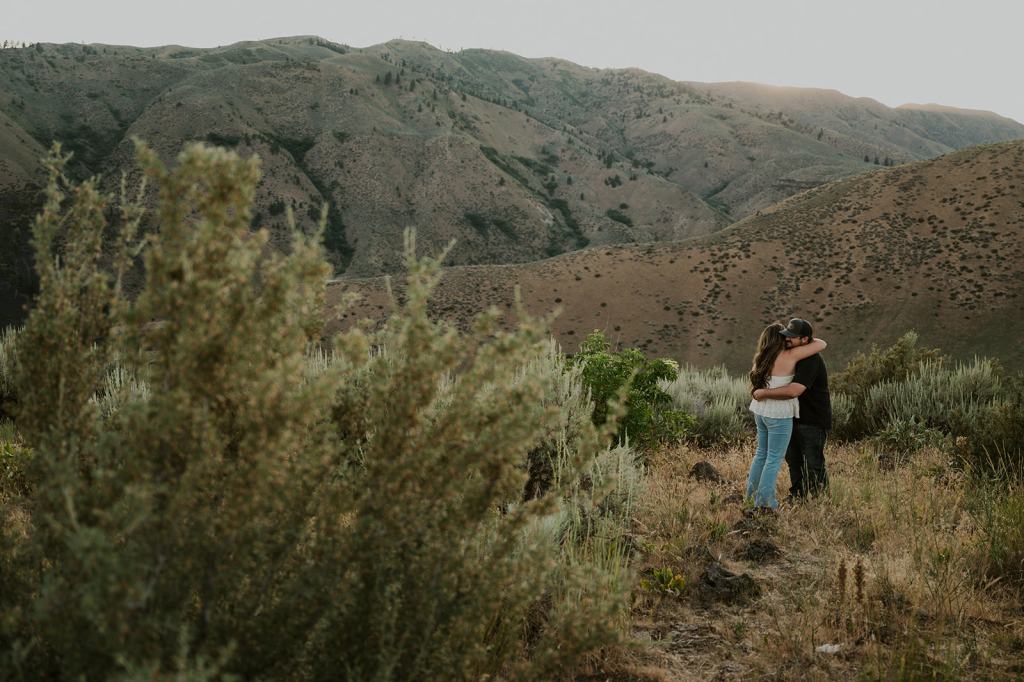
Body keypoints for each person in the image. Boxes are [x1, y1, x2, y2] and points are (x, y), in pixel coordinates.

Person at [745, 322, 827, 512]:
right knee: (773, 459)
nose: (787, 338)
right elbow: (822, 344)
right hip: (778, 414)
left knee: (761, 455)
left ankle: (750, 497)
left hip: (760, 411)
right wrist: (808, 339)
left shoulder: (760, 358)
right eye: (784, 336)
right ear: (778, 339)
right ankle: (765, 502)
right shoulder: (789, 355)